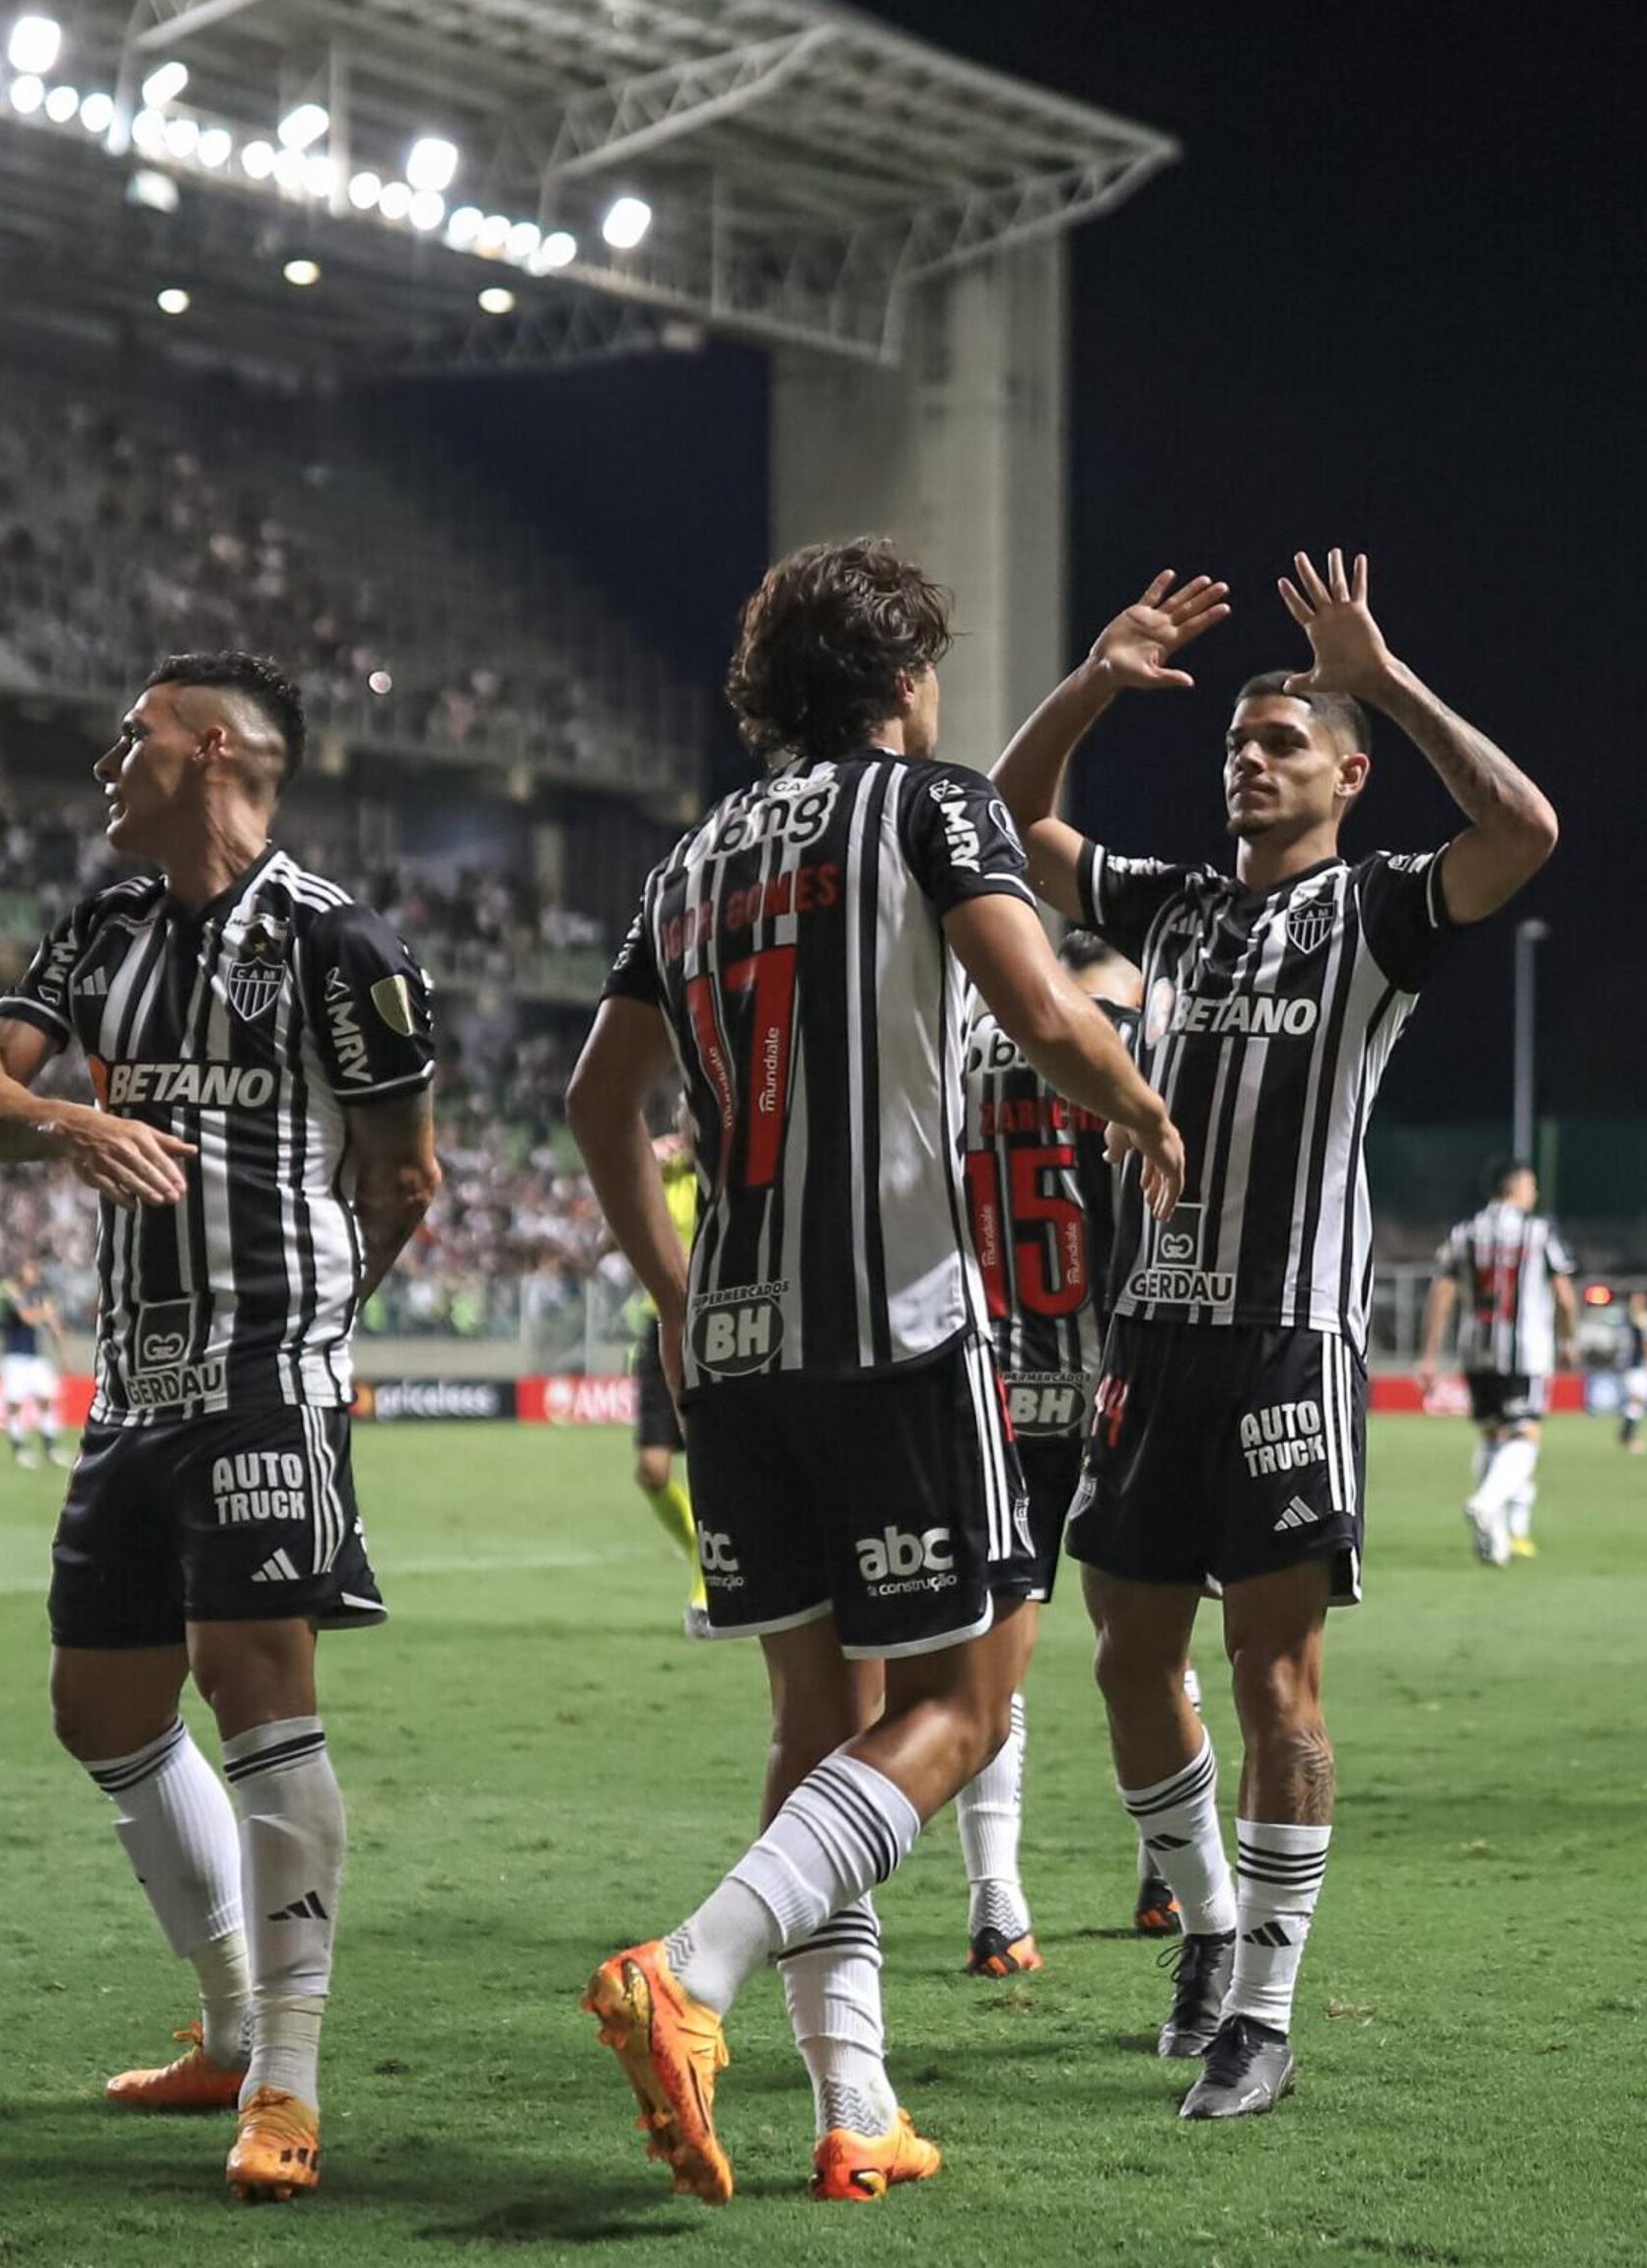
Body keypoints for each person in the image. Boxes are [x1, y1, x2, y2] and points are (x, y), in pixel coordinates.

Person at [567, 539, 1180, 2207]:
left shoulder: (687, 862)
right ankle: (689, 1973)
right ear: (908, 677)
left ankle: (854, 2103)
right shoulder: (932, 805)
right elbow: (1044, 1013)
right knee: (961, 1711)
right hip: (899, 1326)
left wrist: (683, 1303)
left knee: (815, 1733)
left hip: (743, 1345)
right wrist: (1139, 1110)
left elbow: (595, 1106)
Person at [996, 550, 1557, 2118]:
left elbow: (1523, 829)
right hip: (1150, 1343)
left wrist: (1378, 675)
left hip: (1288, 1343)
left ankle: (1264, 2009)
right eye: (1234, 745)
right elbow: (1002, 818)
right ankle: (1206, 1920)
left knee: (1276, 1682)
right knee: (1123, 1658)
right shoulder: (1172, 907)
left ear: (1348, 775)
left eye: (1282, 743)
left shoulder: (1377, 912)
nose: (1247, 761)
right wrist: (1100, 679)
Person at [0, 650, 445, 2205]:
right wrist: (64, 1117)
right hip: (133, 1378)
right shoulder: (102, 931)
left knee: (255, 1683)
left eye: (133, 738)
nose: (108, 761)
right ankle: (228, 2028)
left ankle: (285, 2080)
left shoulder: (335, 941)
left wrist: (309, 1330)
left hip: (264, 1361)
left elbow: (405, 1175)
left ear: (213, 749)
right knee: (101, 1710)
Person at [945, 927, 1192, 1974]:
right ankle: (1166, 1876)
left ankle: (998, 1900)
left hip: (989, 1385)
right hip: (1120, 1386)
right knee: (1149, 1648)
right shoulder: (1138, 1045)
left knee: (994, 1660)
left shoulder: (965, 1038)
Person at [1418, 1161, 1578, 1566]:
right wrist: (1568, 1338)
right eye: (1532, 1186)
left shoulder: (1464, 1233)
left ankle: (1496, 1542)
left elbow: (1442, 1294)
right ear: (1518, 1187)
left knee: (1492, 1436)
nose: (1535, 1194)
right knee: (1525, 1435)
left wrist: (1430, 1353)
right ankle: (1487, 1504)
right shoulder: (1539, 1231)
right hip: (1525, 1351)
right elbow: (1564, 1295)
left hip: (1476, 1348)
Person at [624, 1123, 705, 1623]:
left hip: (719, 1327)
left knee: (711, 1466)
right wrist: (640, 1175)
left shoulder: (727, 1174)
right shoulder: (665, 1174)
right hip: (661, 1327)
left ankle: (707, 1586)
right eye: (680, 1113)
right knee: (652, 1471)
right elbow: (610, 1241)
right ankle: (704, 1555)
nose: (685, 1124)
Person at [0, 1264, 69, 1470]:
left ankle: (51, 1449)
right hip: (14, 1357)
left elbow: (55, 1327)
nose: (35, 1275)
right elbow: (26, 1318)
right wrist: (46, 1314)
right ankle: (20, 1450)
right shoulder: (10, 1295)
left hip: (35, 1356)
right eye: (30, 1271)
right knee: (15, 1404)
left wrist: (63, 1353)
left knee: (46, 1400)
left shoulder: (37, 1298)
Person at [1612, 1287, 1647, 1453]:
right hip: (1635, 1365)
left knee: (1637, 1400)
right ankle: (1628, 1436)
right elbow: (1646, 1343)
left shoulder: (1624, 1319)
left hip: (1627, 1365)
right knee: (1639, 1400)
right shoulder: (1639, 1319)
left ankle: (1627, 1435)